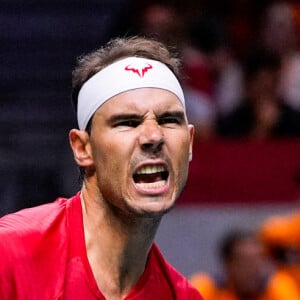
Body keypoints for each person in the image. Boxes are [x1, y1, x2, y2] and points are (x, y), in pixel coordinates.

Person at [0, 36, 202, 299]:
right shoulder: (9, 253)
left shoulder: (183, 296)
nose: (154, 136)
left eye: (168, 120)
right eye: (127, 122)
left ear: (189, 143)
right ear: (83, 148)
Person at [190, 229, 300, 300]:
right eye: (245, 262)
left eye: (258, 260)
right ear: (228, 264)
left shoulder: (277, 287)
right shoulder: (207, 287)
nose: (254, 269)